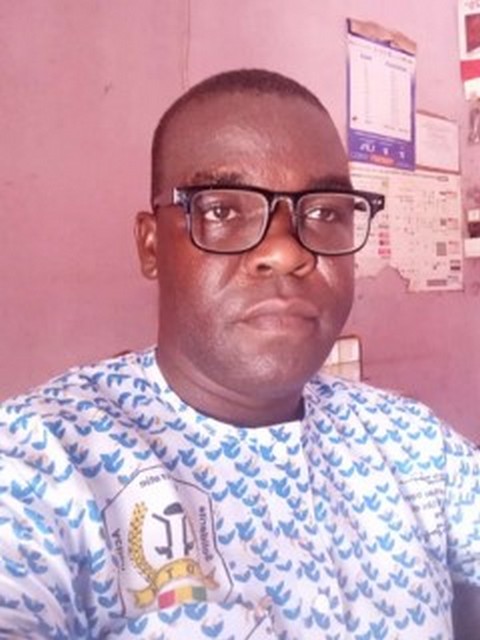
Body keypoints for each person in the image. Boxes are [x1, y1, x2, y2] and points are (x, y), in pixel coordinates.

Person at [0, 69, 478, 640]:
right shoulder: (39, 461)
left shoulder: (411, 443)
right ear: (151, 246)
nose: (286, 251)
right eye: (223, 210)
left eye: (325, 212)